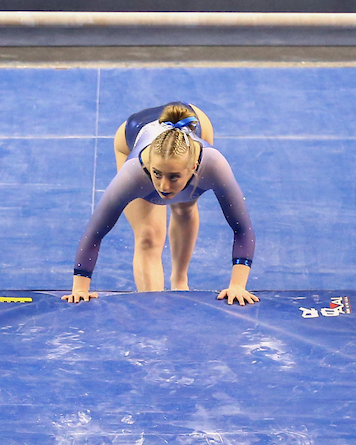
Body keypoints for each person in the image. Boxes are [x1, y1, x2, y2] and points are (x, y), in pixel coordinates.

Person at [65, 102, 258, 305]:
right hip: (131, 134)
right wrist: (80, 288)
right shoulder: (133, 173)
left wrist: (237, 285)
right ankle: (153, 305)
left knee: (185, 207)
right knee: (148, 235)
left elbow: (242, 228)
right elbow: (94, 232)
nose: (164, 186)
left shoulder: (213, 164)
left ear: (194, 166)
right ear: (150, 165)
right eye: (157, 174)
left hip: (197, 120)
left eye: (173, 176)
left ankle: (180, 280)